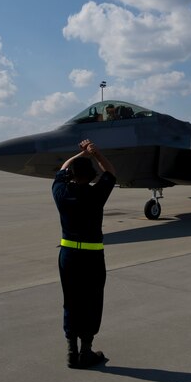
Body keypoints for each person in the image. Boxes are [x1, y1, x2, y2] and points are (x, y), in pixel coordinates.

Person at [52, 139, 116, 368]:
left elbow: (62, 169)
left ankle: (72, 352)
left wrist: (80, 155)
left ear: (71, 175)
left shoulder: (61, 193)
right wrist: (94, 153)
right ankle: (86, 352)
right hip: (92, 258)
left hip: (68, 256)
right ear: (91, 177)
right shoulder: (97, 194)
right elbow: (110, 172)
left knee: (71, 301)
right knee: (91, 302)